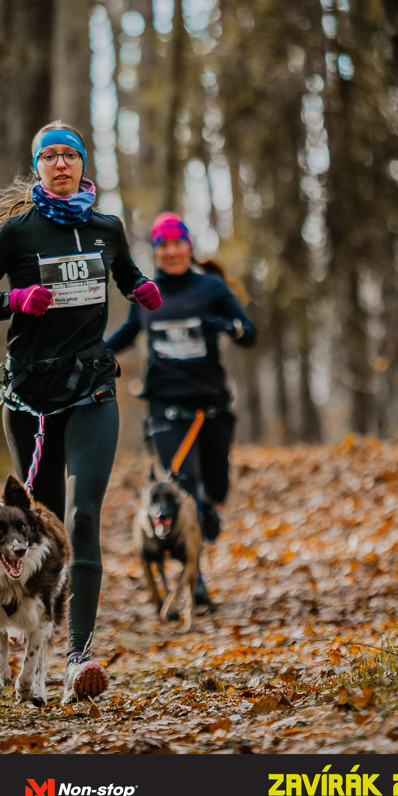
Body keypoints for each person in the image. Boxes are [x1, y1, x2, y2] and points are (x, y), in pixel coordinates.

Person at [0, 121, 161, 704]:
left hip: (92, 389)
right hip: (30, 401)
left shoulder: (106, 228)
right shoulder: (18, 232)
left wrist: (141, 288)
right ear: (38, 167)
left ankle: (78, 657)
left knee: (83, 516)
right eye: (51, 156)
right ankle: (32, 636)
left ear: (83, 164)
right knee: (40, 526)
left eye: (71, 155)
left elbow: (126, 275)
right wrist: (13, 300)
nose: (62, 164)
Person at [106, 212, 256, 607]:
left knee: (214, 489)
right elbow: (126, 334)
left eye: (177, 244)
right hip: (166, 408)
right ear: (156, 251)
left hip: (211, 407)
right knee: (185, 490)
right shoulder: (146, 292)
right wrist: (92, 353)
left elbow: (248, 333)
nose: (171, 252)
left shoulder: (211, 287)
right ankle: (196, 578)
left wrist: (226, 326)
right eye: (163, 245)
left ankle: (209, 509)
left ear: (189, 247)